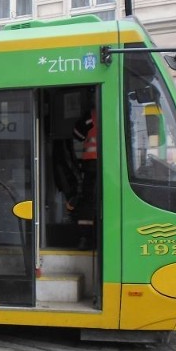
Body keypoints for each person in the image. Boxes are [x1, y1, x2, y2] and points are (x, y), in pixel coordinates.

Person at [72, 107, 98, 249]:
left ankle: (85, 238)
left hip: (91, 166)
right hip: (113, 167)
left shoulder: (91, 116)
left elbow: (77, 135)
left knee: (88, 201)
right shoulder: (123, 112)